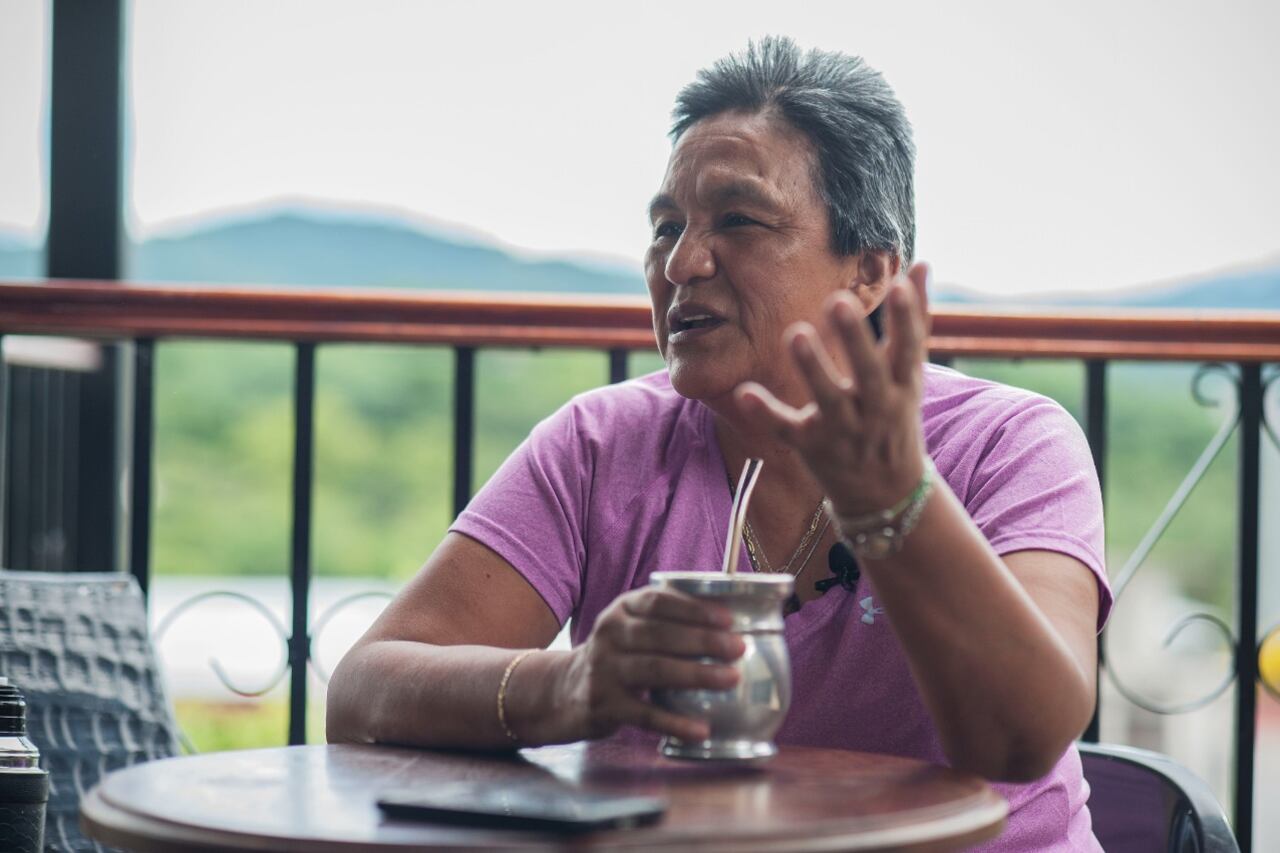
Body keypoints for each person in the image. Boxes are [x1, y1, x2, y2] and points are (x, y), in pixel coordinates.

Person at [327, 37, 1109, 851]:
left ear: (870, 271)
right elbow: (362, 694)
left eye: (738, 220)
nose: (682, 263)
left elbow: (1021, 739)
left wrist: (894, 502)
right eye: (666, 227)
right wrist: (570, 683)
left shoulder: (1010, 444)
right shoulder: (601, 445)